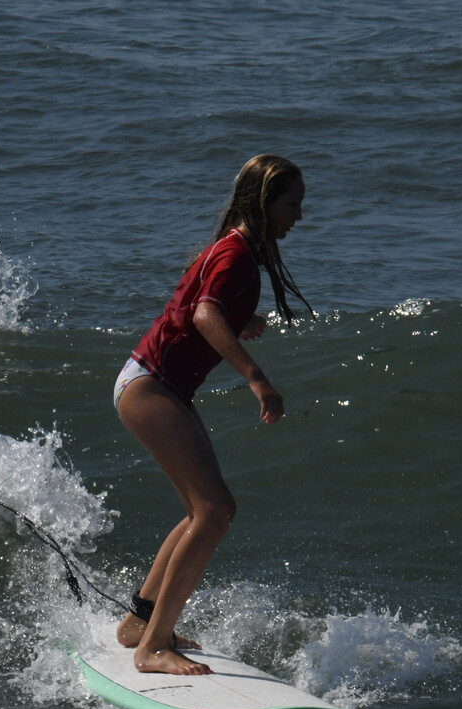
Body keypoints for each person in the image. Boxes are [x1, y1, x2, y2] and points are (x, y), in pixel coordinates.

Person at [111, 154, 311, 675]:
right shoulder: (237, 254)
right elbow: (203, 312)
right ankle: (152, 648)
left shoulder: (235, 249)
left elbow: (199, 302)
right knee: (215, 510)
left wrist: (239, 319)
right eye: (292, 205)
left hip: (157, 385)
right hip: (150, 386)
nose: (299, 216)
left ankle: (141, 622)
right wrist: (256, 377)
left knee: (204, 510)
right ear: (264, 204)